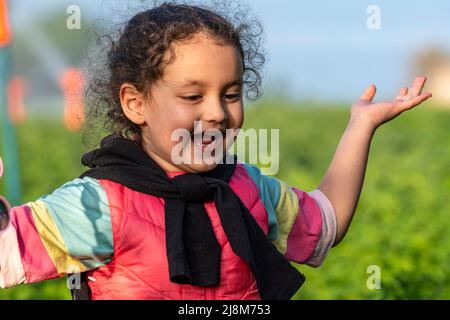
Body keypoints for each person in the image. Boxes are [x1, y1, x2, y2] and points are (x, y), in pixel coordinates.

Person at [0, 2, 431, 300]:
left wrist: (361, 126)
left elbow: (325, 224)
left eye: (230, 93)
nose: (217, 113)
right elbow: (8, 254)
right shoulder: (98, 204)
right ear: (135, 103)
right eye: (192, 97)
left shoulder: (247, 189)